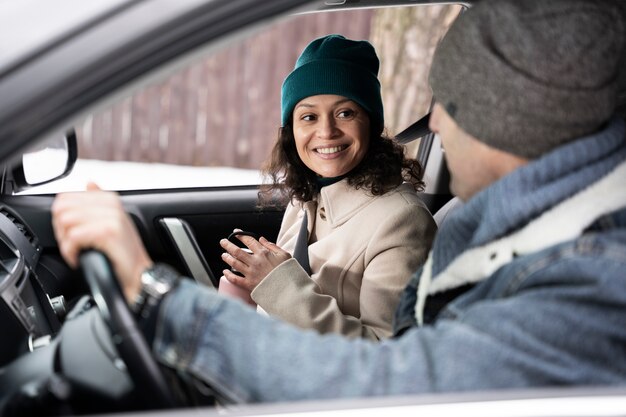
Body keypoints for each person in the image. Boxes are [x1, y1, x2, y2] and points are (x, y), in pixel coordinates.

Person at [51, 0, 626, 404]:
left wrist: (157, 293)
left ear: (505, 119)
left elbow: (389, 381)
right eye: (307, 115)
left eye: (447, 103)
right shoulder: (314, 200)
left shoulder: (583, 281)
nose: (435, 126)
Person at [217, 34, 436, 339]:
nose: (327, 131)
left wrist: (277, 285)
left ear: (371, 124)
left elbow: (386, 355)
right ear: (291, 131)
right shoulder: (305, 199)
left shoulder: (402, 220)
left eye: (345, 113)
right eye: (308, 116)